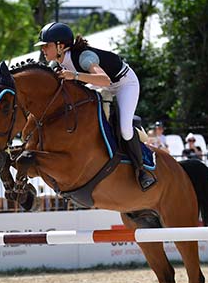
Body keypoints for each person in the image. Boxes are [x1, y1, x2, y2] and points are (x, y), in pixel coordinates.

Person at [35, 21, 155, 190]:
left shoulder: (84, 57)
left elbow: (104, 79)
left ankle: (142, 171)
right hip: (100, 86)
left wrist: (74, 75)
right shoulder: (56, 64)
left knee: (125, 129)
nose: (43, 49)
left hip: (123, 84)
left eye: (46, 45)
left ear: (60, 46)